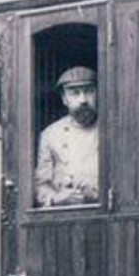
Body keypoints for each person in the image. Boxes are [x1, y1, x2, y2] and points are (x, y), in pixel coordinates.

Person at [34, 65, 100, 207]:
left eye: (89, 91)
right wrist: (57, 199)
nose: (83, 100)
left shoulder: (111, 130)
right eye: (75, 93)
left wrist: (95, 193)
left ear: (98, 94)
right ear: (64, 99)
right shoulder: (50, 135)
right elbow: (41, 184)